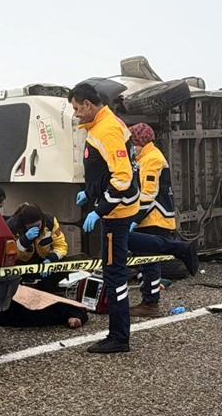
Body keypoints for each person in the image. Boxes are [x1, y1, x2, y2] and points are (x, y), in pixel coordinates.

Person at [68, 81, 140, 354]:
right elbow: (105, 171)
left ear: (88, 104)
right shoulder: (101, 125)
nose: (75, 114)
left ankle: (118, 337)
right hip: (116, 209)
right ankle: (118, 334)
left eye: (76, 108)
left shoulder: (107, 129)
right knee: (114, 269)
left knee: (114, 275)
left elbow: (122, 177)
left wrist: (100, 210)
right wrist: (90, 192)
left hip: (117, 213)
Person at [124, 122, 200, 318]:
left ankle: (150, 303)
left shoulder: (151, 159)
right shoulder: (144, 158)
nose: (131, 148)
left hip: (154, 217)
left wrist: (134, 217)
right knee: (146, 261)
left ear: (139, 141)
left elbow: (149, 194)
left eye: (132, 143)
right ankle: (149, 300)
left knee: (149, 261)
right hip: (151, 217)